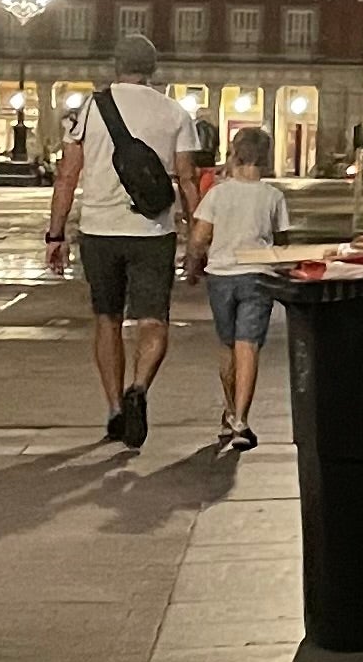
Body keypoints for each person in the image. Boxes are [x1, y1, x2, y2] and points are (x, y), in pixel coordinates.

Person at [43, 34, 199, 450]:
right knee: (153, 321)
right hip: (153, 232)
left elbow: (67, 177)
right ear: (153, 68)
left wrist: (56, 233)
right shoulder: (174, 113)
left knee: (107, 319)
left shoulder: (91, 110)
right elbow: (186, 180)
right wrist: (198, 237)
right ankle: (139, 388)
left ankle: (114, 409)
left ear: (115, 65)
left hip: (99, 230)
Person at [184, 127, 289, 453]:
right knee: (249, 348)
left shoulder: (217, 194)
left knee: (228, 346)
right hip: (257, 275)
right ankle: (240, 419)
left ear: (235, 154)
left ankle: (231, 412)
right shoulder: (273, 197)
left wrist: (191, 266)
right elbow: (282, 242)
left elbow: (199, 238)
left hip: (221, 276)